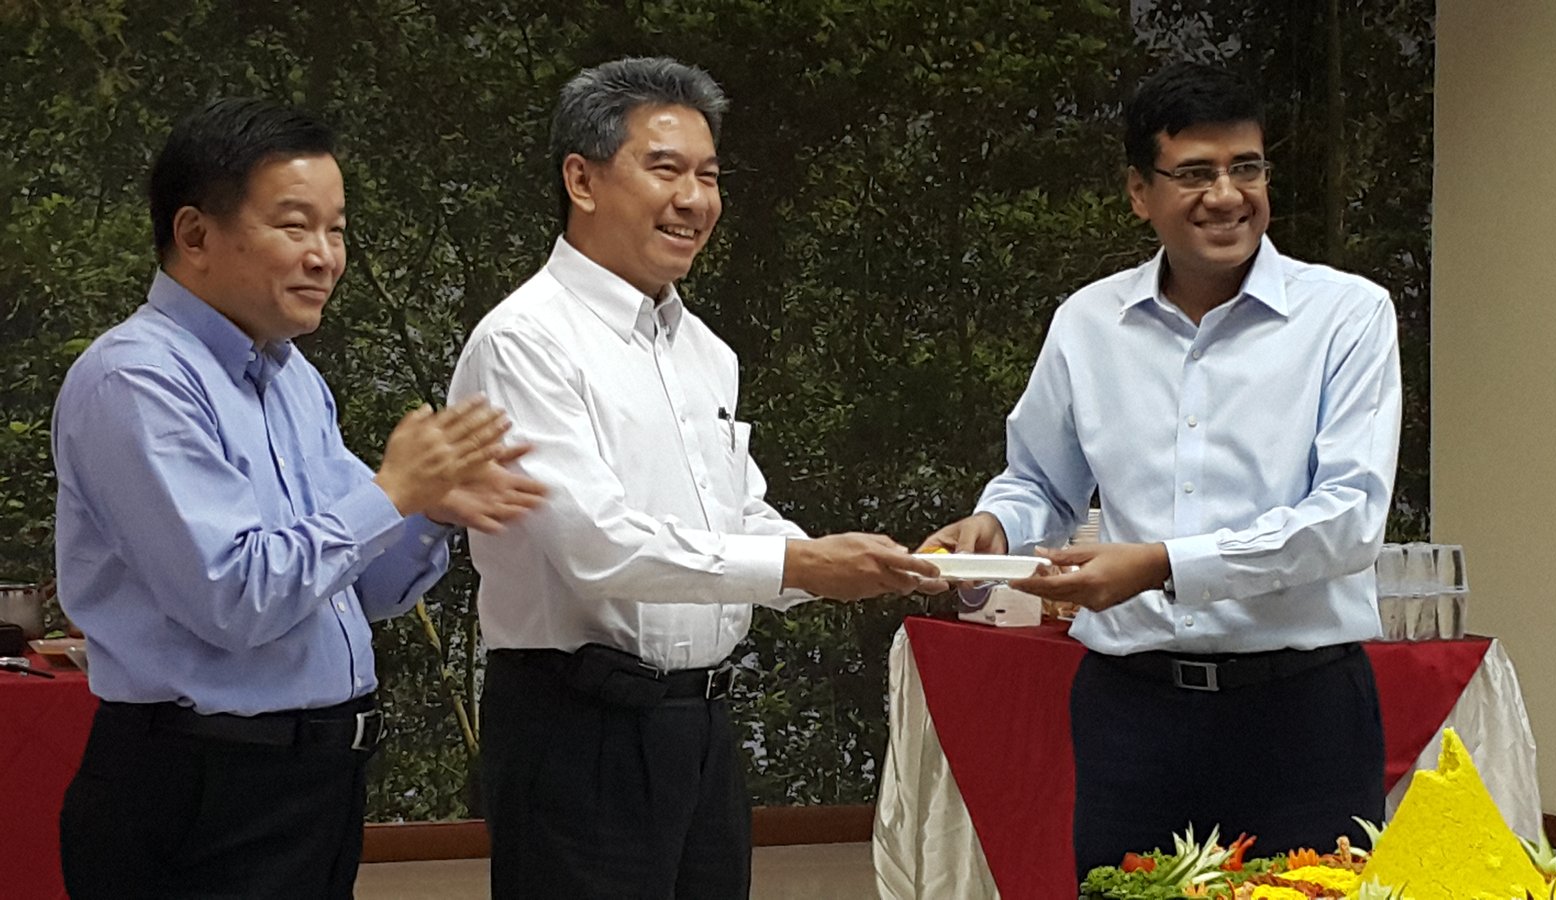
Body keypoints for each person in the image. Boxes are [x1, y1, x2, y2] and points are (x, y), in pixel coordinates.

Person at [448, 56, 941, 899]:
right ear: (581, 179)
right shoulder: (524, 342)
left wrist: (855, 564)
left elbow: (737, 514)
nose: (694, 200)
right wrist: (800, 564)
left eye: (709, 177)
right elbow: (596, 548)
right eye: (665, 169)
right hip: (576, 726)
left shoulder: (706, 352)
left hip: (701, 724)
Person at [52, 98, 544, 899]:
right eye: (295, 226)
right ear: (195, 235)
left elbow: (366, 589)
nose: (325, 257)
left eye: (337, 230)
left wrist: (430, 509)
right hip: (199, 788)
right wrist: (392, 491)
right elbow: (235, 599)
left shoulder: (291, 378)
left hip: (312, 784)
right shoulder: (136, 380)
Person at [923, 61, 1402, 875]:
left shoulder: (1347, 315)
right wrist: (995, 525)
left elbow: (1349, 520)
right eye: (1195, 173)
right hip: (1132, 712)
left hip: (1302, 714)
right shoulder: (1088, 322)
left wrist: (1160, 565)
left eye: (1246, 167)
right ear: (1139, 192)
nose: (1227, 195)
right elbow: (1040, 479)